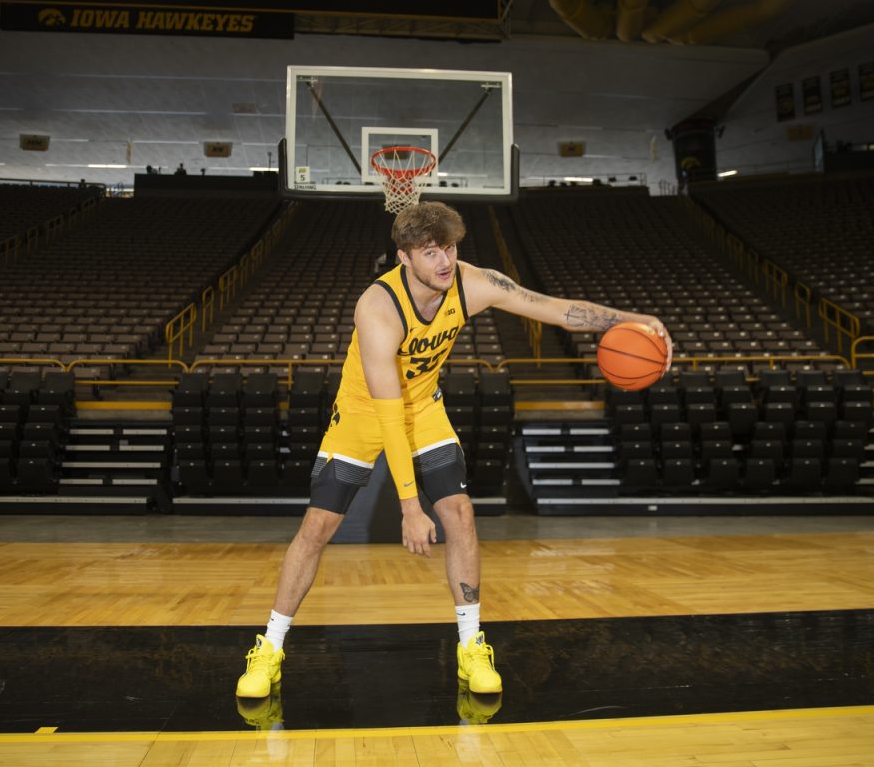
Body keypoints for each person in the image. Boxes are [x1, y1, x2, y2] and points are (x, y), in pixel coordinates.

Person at [235, 201, 672, 700]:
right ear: (404, 258)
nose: (445, 261)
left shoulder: (473, 282)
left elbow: (553, 309)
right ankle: (269, 647)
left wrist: (638, 319)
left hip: (422, 408)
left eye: (450, 247)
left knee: (461, 515)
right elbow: (386, 413)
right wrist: (408, 507)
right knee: (317, 528)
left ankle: (470, 646)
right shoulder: (377, 309)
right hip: (364, 413)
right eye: (430, 252)